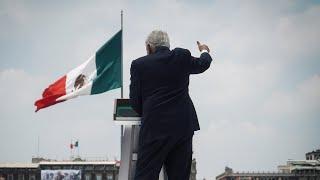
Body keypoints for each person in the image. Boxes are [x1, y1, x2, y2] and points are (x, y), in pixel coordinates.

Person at [130, 30, 212, 180]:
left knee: (145, 176)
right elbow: (204, 64)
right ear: (167, 45)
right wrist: (204, 50)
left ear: (149, 47)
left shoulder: (139, 65)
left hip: (153, 129)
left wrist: (150, 112)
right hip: (182, 128)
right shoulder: (181, 57)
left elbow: (135, 102)